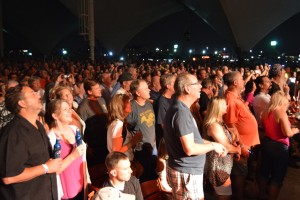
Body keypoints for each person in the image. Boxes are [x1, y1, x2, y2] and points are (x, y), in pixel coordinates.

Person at [163, 73, 227, 200]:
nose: (200, 86)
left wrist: (216, 145)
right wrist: (213, 145)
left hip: (186, 171)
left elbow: (193, 139)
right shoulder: (181, 112)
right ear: (187, 88)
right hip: (186, 173)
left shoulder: (181, 108)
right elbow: (190, 148)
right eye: (196, 83)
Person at [0, 85, 62, 199]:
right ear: (22, 103)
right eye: (33, 94)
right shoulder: (13, 134)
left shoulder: (38, 125)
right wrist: (46, 168)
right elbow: (9, 177)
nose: (39, 95)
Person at [223, 71, 260, 200]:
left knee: (243, 172)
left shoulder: (235, 96)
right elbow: (231, 125)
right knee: (239, 173)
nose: (244, 81)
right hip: (241, 145)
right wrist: (242, 145)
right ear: (235, 82)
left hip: (247, 143)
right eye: (241, 79)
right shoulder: (230, 99)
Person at [258, 91, 299, 200]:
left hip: (267, 143)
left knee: (264, 172)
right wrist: (295, 130)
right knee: (277, 177)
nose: (287, 105)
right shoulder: (281, 112)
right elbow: (288, 133)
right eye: (286, 103)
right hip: (279, 148)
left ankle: (261, 195)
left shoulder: (266, 111)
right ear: (281, 102)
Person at [45, 99, 87, 199]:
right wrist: (73, 156)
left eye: (69, 108)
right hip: (65, 193)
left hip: (80, 186)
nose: (70, 111)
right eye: (65, 109)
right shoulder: (50, 138)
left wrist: (86, 184)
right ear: (55, 116)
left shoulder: (74, 129)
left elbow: (83, 160)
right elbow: (53, 170)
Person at [203, 97, 241, 200]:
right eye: (225, 104)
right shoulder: (214, 125)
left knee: (220, 193)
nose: (227, 106)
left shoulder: (220, 123)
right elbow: (226, 146)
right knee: (225, 194)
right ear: (218, 107)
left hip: (223, 164)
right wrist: (238, 150)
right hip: (218, 166)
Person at [107, 94, 142, 161]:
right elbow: (116, 152)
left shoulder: (117, 123)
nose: (130, 103)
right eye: (128, 102)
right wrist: (133, 141)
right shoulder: (118, 124)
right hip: (121, 164)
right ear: (121, 106)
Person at [126, 79, 157, 154]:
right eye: (146, 89)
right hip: (141, 150)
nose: (149, 90)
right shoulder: (131, 108)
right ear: (138, 93)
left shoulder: (148, 104)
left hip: (153, 146)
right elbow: (127, 127)